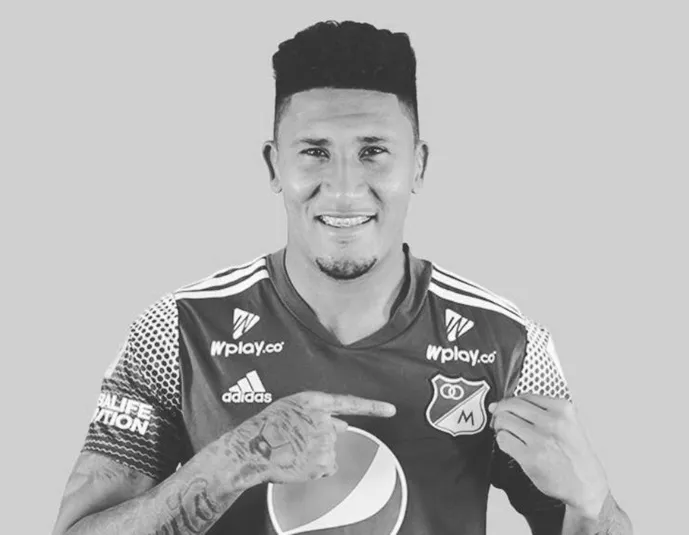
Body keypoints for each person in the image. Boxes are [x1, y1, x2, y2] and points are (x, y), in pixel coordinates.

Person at [52, 20, 632, 535]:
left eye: (373, 151)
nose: (346, 189)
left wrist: (592, 505)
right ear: (274, 165)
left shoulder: (507, 343)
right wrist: (232, 461)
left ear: (419, 165)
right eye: (315, 152)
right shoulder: (176, 331)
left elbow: (594, 523)